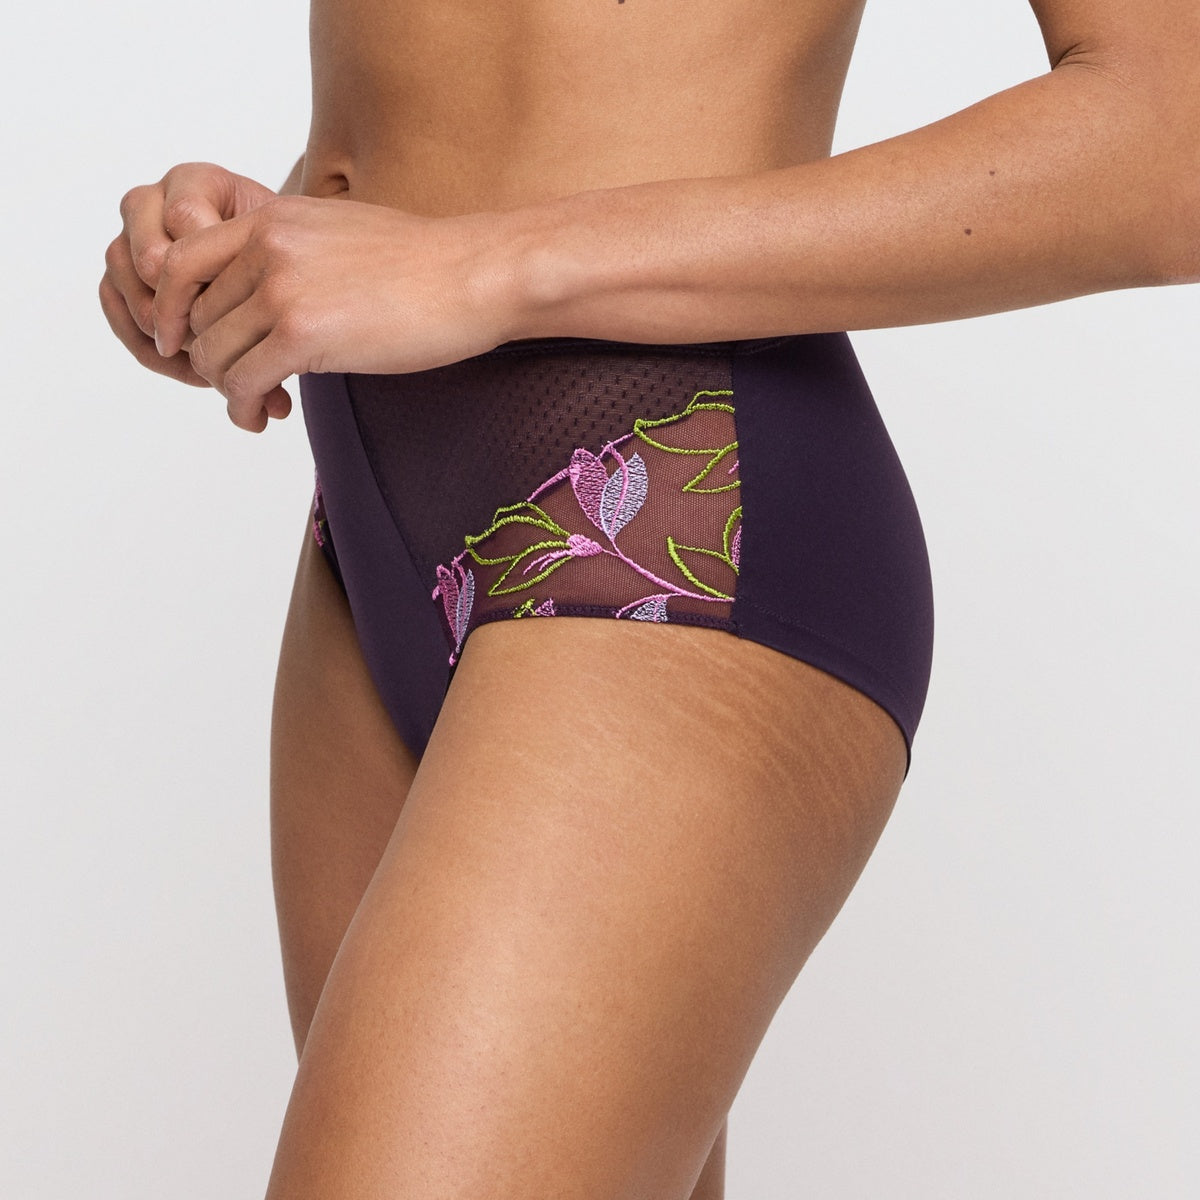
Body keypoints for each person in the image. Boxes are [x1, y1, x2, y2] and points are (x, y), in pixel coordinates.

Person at [97, 2, 1198, 1197]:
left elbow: (1172, 138)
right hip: (369, 514)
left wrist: (487, 265)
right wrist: (268, 253)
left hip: (674, 494)